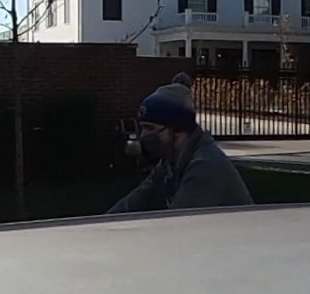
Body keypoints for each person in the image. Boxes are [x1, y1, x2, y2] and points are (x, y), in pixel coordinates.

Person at [101, 85, 252, 214]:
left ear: (178, 130)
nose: (144, 136)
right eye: (142, 128)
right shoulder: (170, 162)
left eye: (150, 128)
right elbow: (137, 200)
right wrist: (101, 226)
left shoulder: (205, 166)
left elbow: (176, 225)